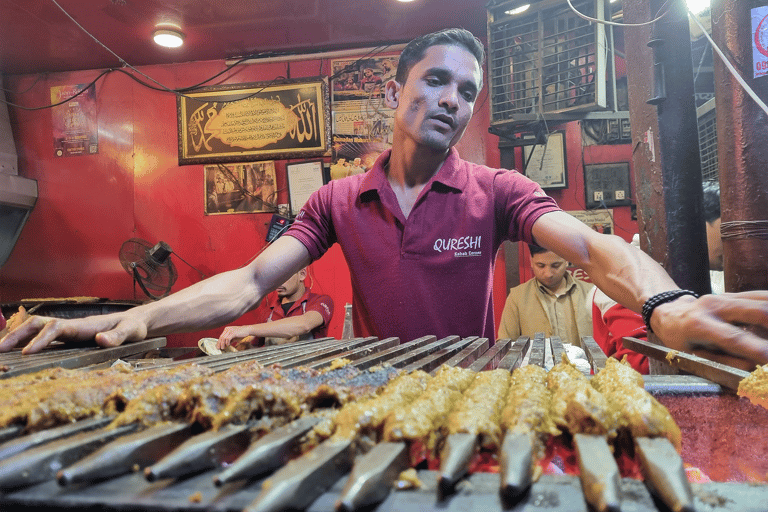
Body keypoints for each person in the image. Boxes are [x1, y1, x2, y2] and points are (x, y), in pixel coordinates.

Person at [1, 28, 767, 372]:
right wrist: (132, 317)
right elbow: (247, 284)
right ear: (394, 90)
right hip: (374, 386)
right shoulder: (336, 200)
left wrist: (664, 299)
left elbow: (593, 246)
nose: (452, 100)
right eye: (435, 79)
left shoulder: (497, 190)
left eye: (467, 91)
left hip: (478, 387)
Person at [590, 181, 725, 373]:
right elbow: (641, 364)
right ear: (695, 225)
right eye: (726, 227)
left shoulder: (695, 273)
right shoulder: (629, 273)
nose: (739, 240)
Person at [498, 244, 593, 346]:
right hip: (535, 362)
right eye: (541, 266)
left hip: (583, 361)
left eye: (555, 265)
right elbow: (505, 344)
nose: (548, 274)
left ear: (567, 260)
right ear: (531, 261)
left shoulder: (590, 292)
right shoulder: (517, 297)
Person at [216, 267, 333, 349]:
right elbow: (251, 344)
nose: (277, 283)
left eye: (284, 276)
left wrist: (246, 329)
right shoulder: (268, 312)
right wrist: (233, 346)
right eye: (275, 277)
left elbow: (304, 324)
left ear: (302, 274)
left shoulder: (320, 301)